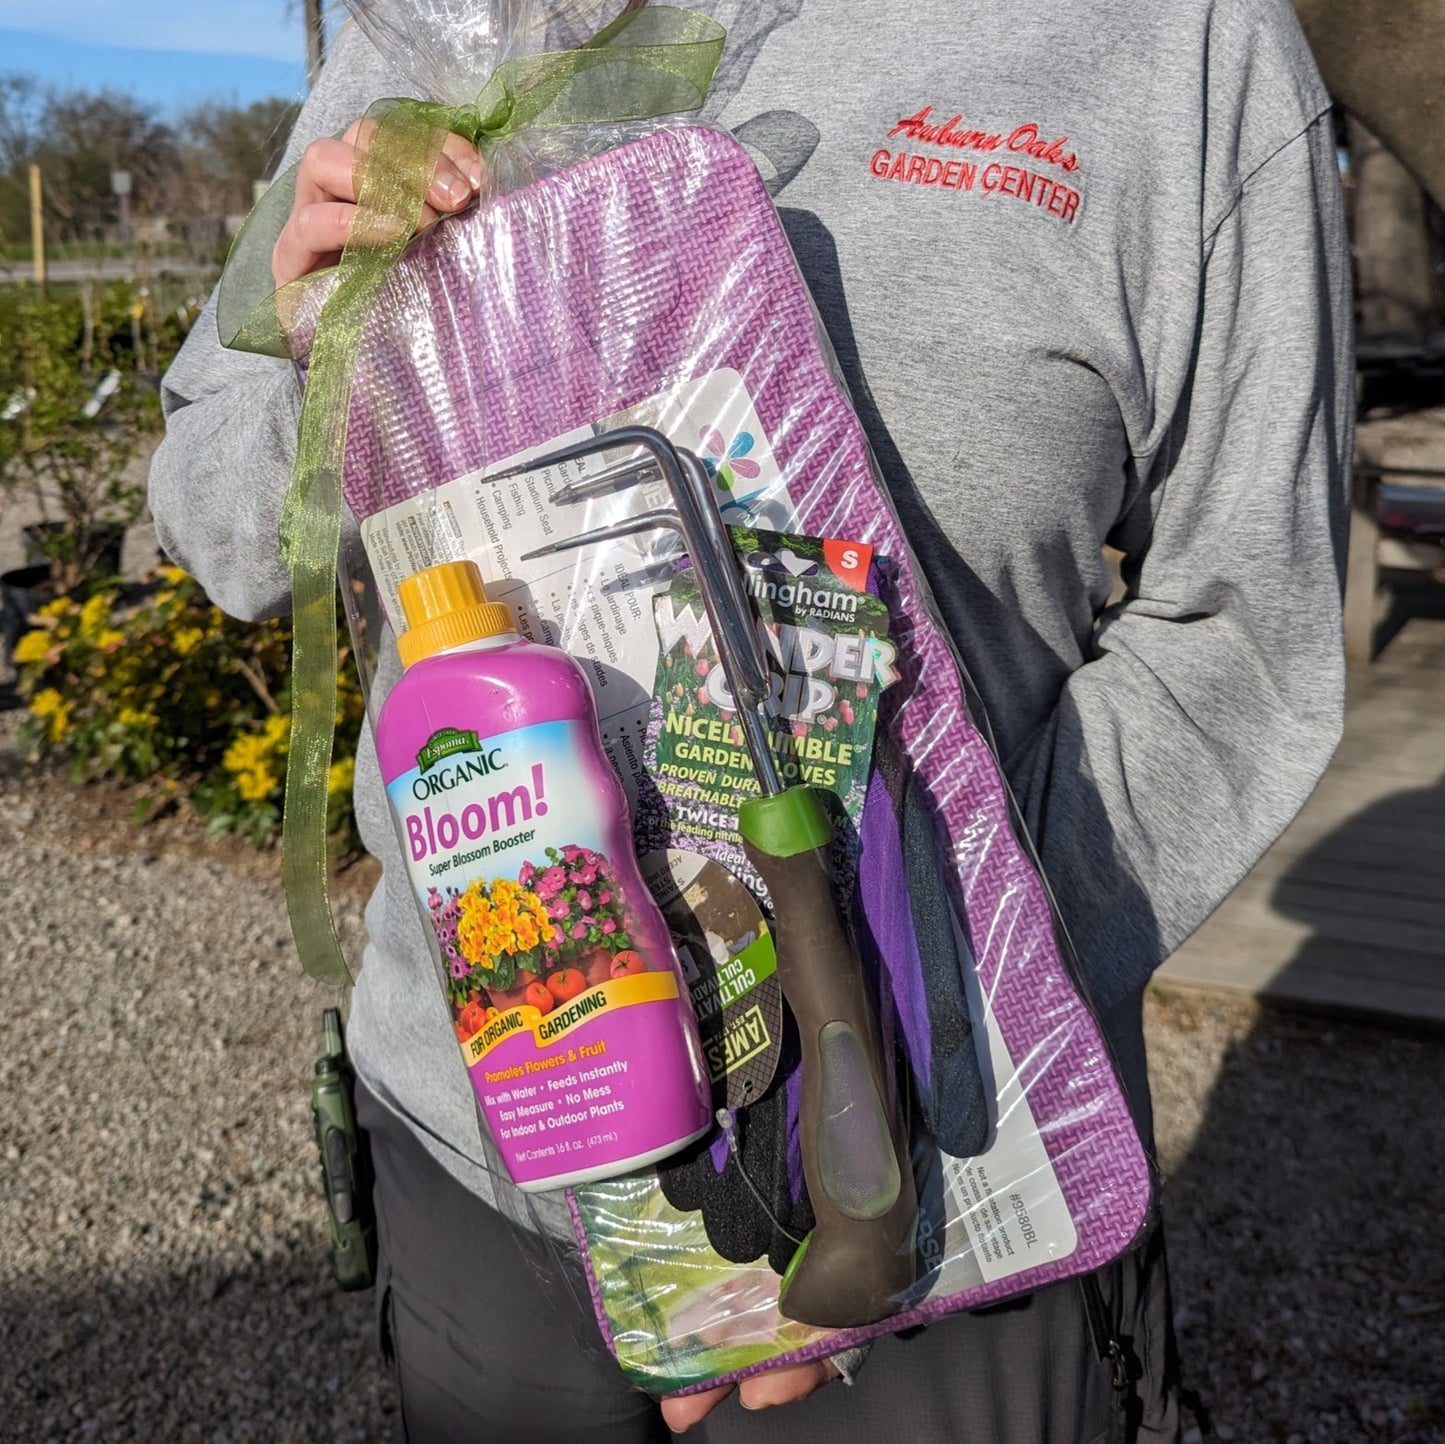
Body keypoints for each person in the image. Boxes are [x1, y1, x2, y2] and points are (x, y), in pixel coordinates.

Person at [148, 0, 1353, 1438]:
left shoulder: (1172, 43)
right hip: (487, 1154)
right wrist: (322, 356)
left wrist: (925, 1053)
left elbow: (1242, 633)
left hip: (921, 1160)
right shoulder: (432, 32)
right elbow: (223, 526)